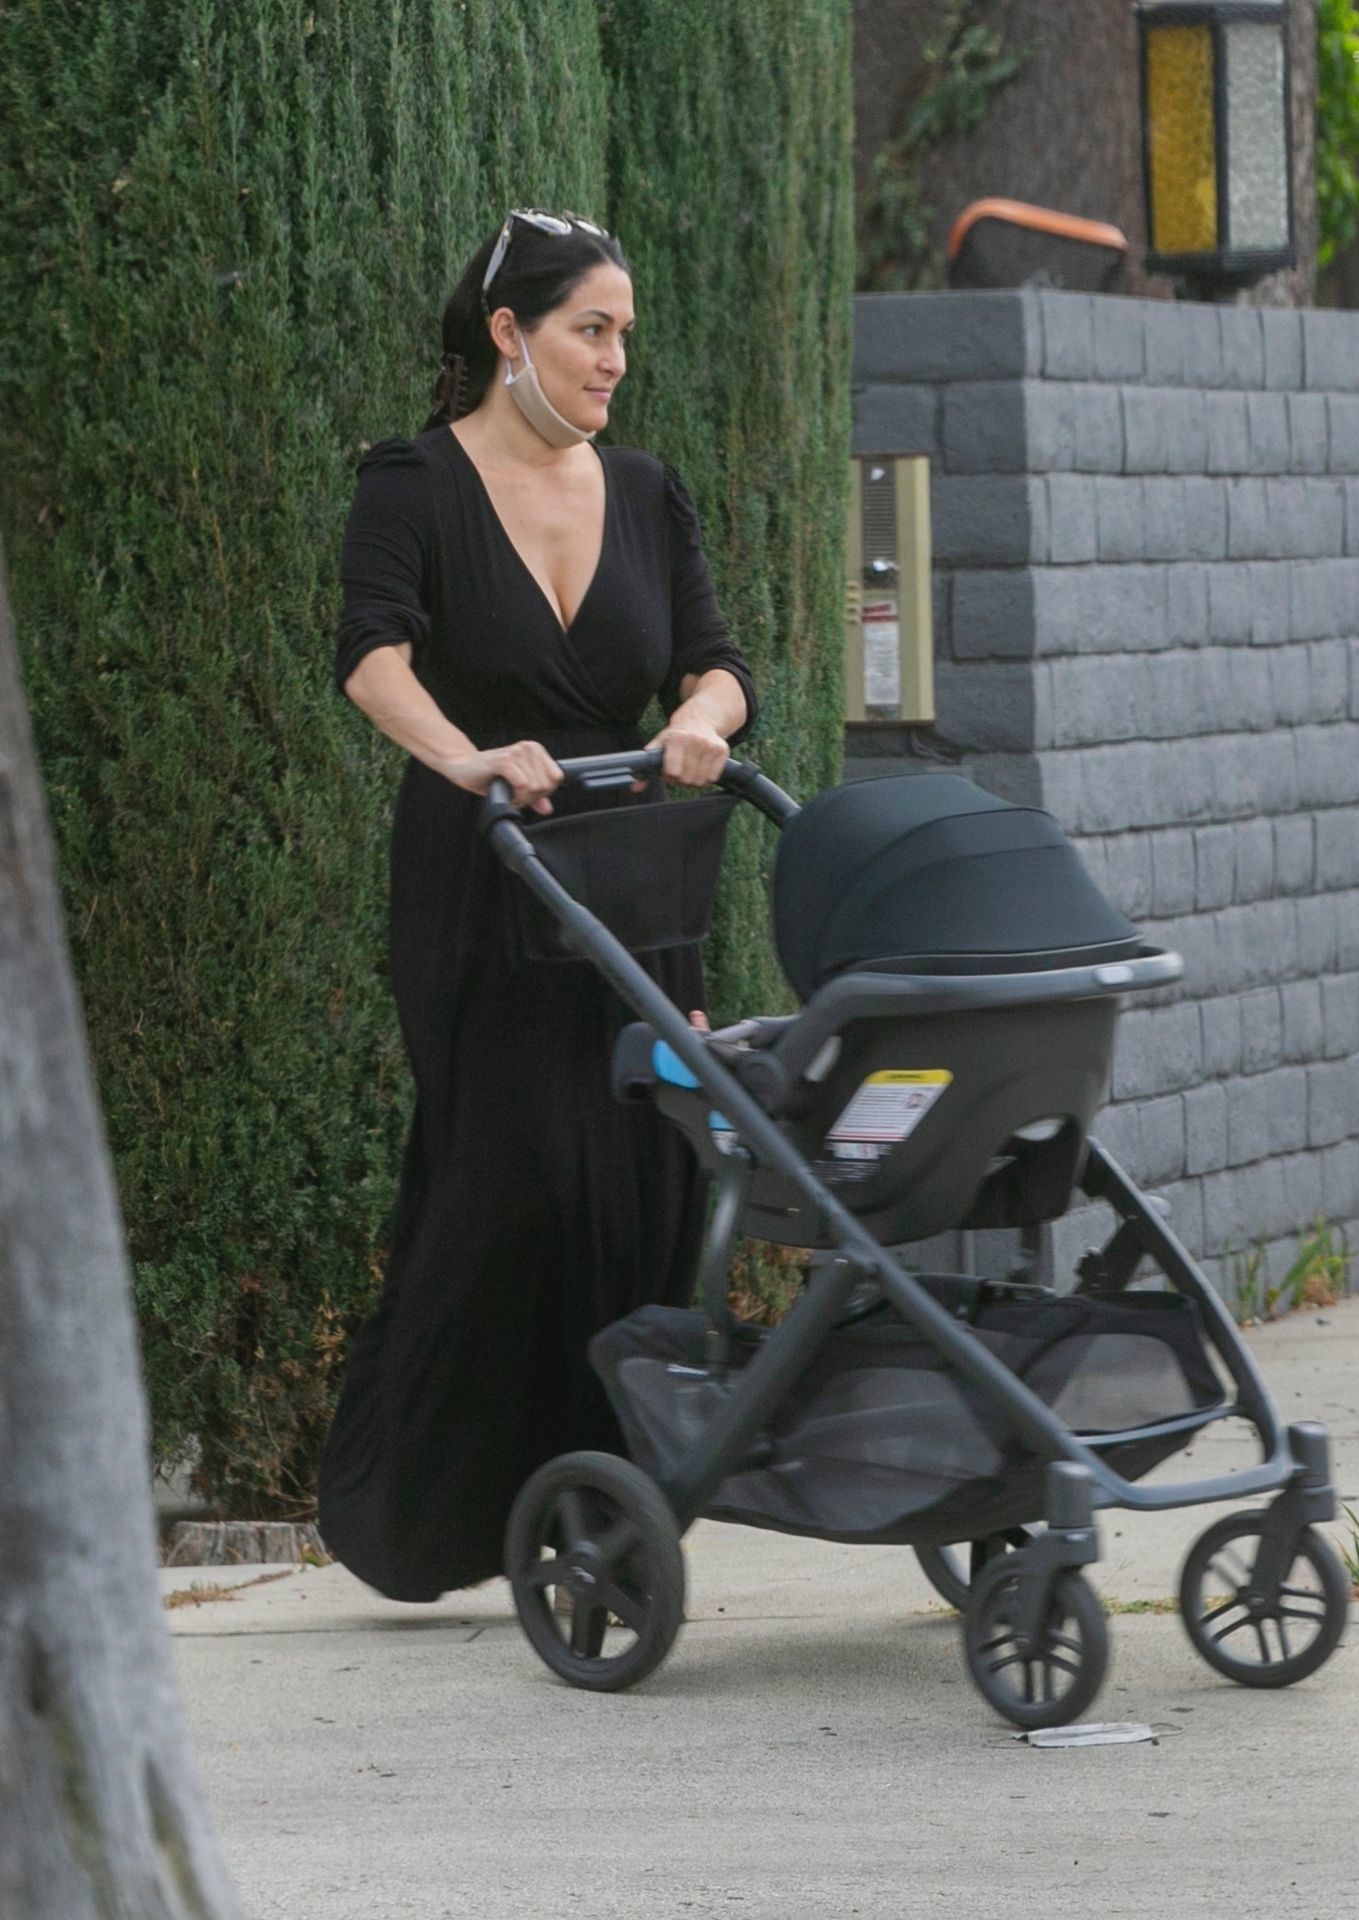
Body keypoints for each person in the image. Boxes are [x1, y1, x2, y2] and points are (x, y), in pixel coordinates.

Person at [316, 208, 757, 1602]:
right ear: (510, 333)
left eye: (624, 334)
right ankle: (420, 1510)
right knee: (511, 1181)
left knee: (646, 1176)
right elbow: (371, 658)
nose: (616, 358)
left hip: (629, 881)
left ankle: (603, 1497)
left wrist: (701, 719)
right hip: (483, 874)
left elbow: (718, 662)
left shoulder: (647, 490)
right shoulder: (414, 484)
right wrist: (467, 758)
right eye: (591, 329)